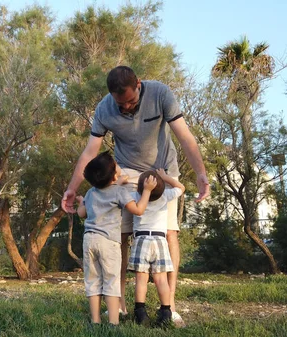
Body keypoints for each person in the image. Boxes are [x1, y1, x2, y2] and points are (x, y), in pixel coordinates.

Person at [62, 66, 210, 326]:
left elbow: (184, 136)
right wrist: (73, 187)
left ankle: (170, 305)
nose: (126, 107)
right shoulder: (104, 109)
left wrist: (200, 173)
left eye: (130, 101)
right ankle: (117, 305)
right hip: (127, 174)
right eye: (121, 103)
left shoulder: (160, 93)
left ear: (139, 85)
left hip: (163, 172)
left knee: (168, 234)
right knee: (119, 236)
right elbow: (90, 152)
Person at [75, 151, 154, 326]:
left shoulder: (91, 192)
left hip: (89, 240)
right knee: (111, 280)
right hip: (109, 243)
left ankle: (95, 321)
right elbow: (138, 210)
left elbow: (81, 213)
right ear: (114, 174)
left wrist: (81, 201)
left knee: (93, 280)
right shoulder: (119, 191)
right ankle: (113, 322)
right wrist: (147, 191)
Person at [128, 169, 185, 328]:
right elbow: (181, 188)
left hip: (141, 239)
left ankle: (140, 313)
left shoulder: (135, 197)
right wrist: (167, 178)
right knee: (161, 279)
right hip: (160, 240)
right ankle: (166, 313)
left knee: (141, 279)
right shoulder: (165, 195)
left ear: (140, 187)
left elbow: (122, 199)